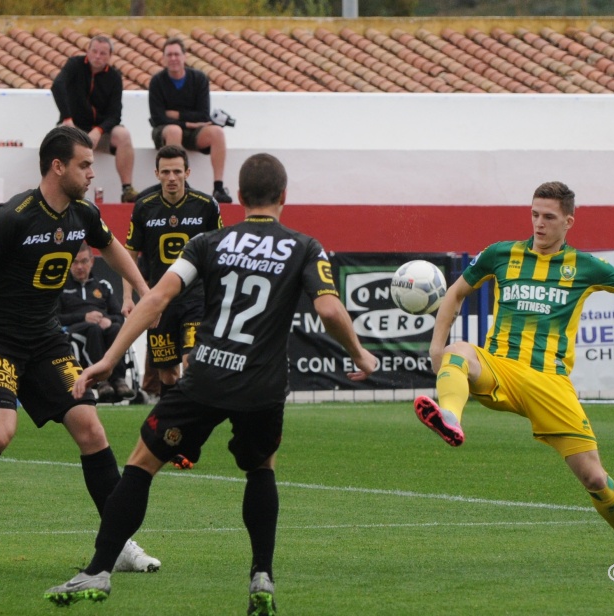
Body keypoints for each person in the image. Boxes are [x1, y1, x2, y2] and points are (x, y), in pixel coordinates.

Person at [44, 153, 378, 614]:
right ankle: (262, 575)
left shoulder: (209, 241)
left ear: (239, 198)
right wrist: (359, 353)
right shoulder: (305, 246)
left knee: (142, 463)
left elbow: (158, 296)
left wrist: (109, 358)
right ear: (284, 197)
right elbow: (328, 310)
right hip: (262, 388)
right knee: (261, 468)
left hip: (205, 378)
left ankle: (98, 569)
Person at [413, 181, 614, 568]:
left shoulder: (584, 266)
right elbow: (455, 292)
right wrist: (435, 348)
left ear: (568, 222)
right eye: (534, 215)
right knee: (458, 352)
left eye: (548, 217)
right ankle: (450, 417)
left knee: (595, 478)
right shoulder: (501, 255)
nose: (539, 224)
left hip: (550, 384)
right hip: (500, 369)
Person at [0, 125, 160, 573]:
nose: (91, 173)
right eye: (85, 165)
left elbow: (113, 247)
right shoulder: (13, 216)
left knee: (91, 428)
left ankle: (119, 543)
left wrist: (146, 291)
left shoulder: (83, 215)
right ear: (58, 166)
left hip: (46, 340)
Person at [122, 144, 221, 399]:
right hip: (160, 302)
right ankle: (169, 421)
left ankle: (191, 419)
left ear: (187, 172)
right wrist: (127, 297)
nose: (172, 178)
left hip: (195, 300)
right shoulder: (144, 206)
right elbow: (129, 254)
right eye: (165, 172)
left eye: (177, 171)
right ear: (157, 174)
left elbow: (219, 253)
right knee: (167, 374)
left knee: (191, 362)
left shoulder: (206, 205)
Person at [51, 35, 139, 203]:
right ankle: (62, 189)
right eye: (95, 51)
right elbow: (57, 86)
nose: (98, 56)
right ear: (88, 51)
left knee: (123, 135)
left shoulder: (114, 77)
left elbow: (115, 114)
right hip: (73, 126)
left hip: (101, 131)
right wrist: (68, 118)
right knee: (59, 138)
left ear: (110, 56)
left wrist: (99, 131)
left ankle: (127, 189)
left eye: (103, 53)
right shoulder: (74, 65)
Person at [148, 36, 232, 204]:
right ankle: (180, 184)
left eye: (177, 54)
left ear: (184, 57)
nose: (173, 58)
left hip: (195, 132)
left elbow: (203, 115)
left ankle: (218, 187)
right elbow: (158, 118)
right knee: (174, 130)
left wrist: (176, 115)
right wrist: (185, 122)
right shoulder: (157, 82)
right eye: (169, 55)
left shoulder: (199, 79)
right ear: (163, 58)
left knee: (217, 132)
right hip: (165, 132)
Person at [57, 242, 135, 402]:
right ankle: (101, 380)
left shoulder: (103, 286)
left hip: (103, 328)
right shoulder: (61, 287)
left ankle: (119, 379)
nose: (80, 267)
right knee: (93, 329)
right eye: (75, 262)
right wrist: (84, 317)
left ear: (92, 261)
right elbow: (55, 318)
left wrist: (108, 320)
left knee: (115, 328)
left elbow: (119, 315)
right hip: (74, 330)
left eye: (84, 261)